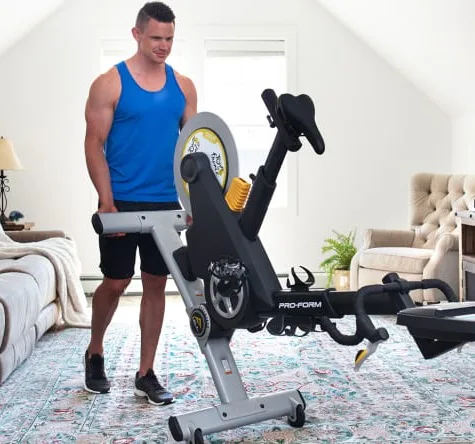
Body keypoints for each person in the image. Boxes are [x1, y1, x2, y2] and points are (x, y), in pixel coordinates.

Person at [83, 1, 197, 405]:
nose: (163, 45)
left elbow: (193, 150)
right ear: (137, 34)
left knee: (156, 283)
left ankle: (146, 372)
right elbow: (94, 144)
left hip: (166, 202)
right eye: (156, 38)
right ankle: (95, 350)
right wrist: (106, 201)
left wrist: (193, 202)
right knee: (116, 282)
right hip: (122, 201)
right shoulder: (109, 83)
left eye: (169, 38)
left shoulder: (183, 86)